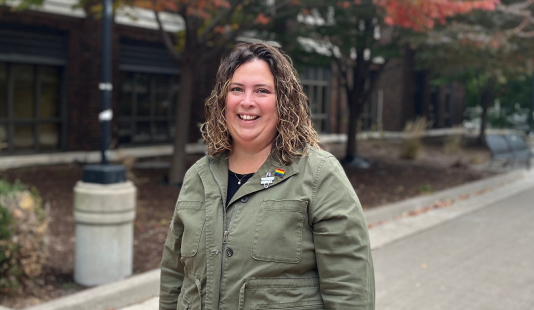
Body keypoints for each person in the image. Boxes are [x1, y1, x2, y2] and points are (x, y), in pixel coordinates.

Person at [159, 42, 375, 310]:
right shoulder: (198, 177)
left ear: (283, 102)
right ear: (223, 99)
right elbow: (173, 276)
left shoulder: (319, 174)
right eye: (237, 89)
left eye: (262, 91)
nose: (247, 101)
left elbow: (349, 290)